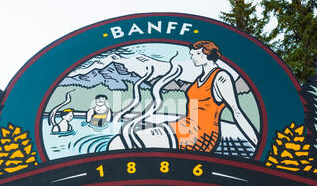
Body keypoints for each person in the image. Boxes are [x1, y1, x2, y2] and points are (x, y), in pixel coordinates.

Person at [108, 40, 258, 152]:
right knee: (120, 141)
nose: (192, 58)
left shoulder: (221, 77)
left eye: (194, 55)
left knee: (121, 144)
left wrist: (257, 145)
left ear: (205, 54)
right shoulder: (199, 78)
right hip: (183, 126)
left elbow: (236, 112)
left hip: (200, 136)